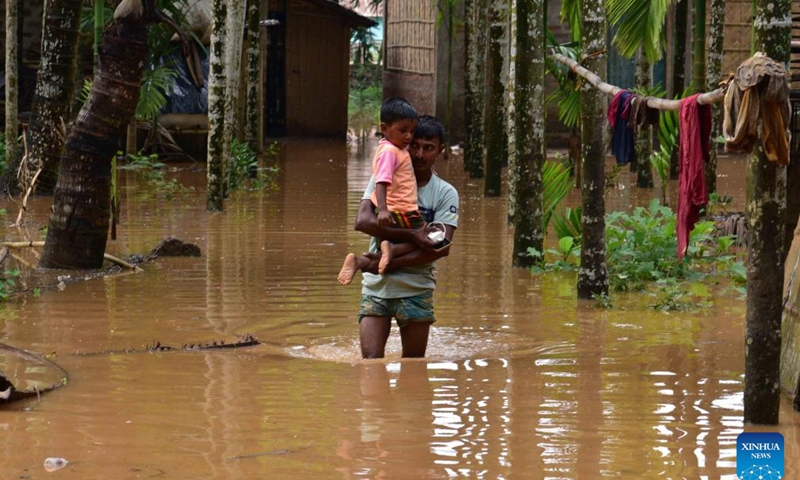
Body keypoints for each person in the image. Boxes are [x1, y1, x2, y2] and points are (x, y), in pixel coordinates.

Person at [351, 115, 459, 359]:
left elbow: (442, 247)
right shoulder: (383, 177)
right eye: (414, 146)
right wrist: (414, 234)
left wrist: (382, 264)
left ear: (440, 151)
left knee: (413, 366)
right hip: (376, 288)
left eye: (428, 148)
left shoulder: (445, 193)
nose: (419, 154)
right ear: (405, 142)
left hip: (416, 288)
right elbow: (362, 221)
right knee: (370, 366)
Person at [338, 97, 424, 285]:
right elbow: (382, 181)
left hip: (397, 209)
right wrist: (383, 209)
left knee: (387, 250)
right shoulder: (389, 152)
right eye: (403, 131)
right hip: (401, 209)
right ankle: (391, 250)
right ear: (384, 129)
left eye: (412, 131)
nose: (409, 136)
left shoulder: (395, 148)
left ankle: (360, 261)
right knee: (424, 239)